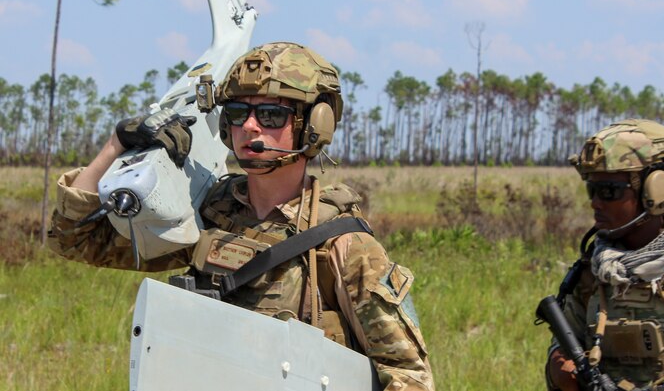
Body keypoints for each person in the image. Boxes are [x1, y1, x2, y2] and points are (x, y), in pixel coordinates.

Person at [49, 42, 434, 391]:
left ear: (314, 124)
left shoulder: (344, 245)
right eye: (237, 112)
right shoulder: (206, 214)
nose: (248, 126)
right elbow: (74, 239)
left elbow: (409, 377)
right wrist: (117, 146)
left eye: (269, 114)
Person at [545, 119, 664, 391]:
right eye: (591, 190)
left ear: (656, 190)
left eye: (608, 192)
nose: (595, 203)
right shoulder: (594, 272)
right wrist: (561, 368)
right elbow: (562, 346)